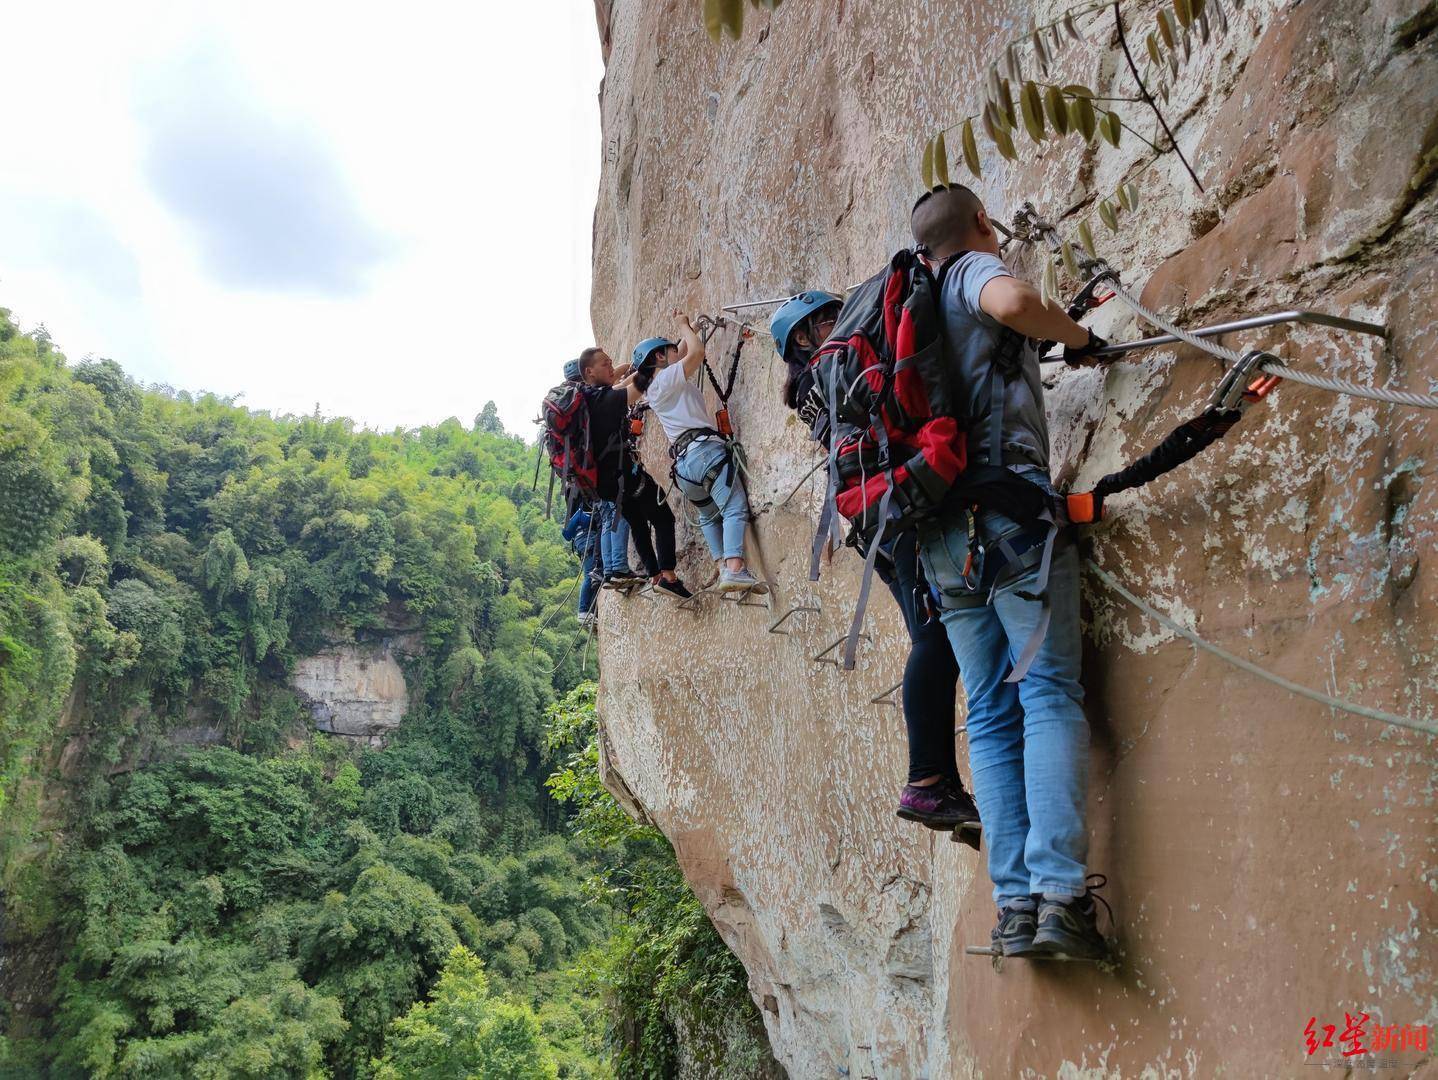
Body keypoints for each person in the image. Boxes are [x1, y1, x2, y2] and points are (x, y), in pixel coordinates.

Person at [908, 183, 1110, 961]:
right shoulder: (967, 274)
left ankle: (1015, 908)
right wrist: (1082, 339)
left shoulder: (910, 305)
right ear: (981, 226)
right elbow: (1017, 299)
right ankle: (1061, 897)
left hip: (937, 538)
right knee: (1049, 693)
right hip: (1008, 517)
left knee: (990, 714)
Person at [771, 291, 981, 848]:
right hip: (896, 511)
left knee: (931, 637)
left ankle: (944, 787)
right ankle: (929, 779)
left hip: (875, 517)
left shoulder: (814, 382)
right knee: (941, 634)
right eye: (825, 319)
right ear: (803, 338)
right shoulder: (834, 366)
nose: (837, 322)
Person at [625, 316, 765, 594]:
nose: (676, 351)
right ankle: (735, 568)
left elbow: (681, 352)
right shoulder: (666, 378)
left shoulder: (654, 387)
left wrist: (693, 331)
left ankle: (723, 565)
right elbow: (697, 353)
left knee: (709, 516)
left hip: (685, 467)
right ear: (659, 357)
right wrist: (683, 327)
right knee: (734, 506)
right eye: (670, 350)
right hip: (704, 453)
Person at [579, 347, 691, 599]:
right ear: (589, 371)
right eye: (605, 364)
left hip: (607, 486)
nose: (611, 367)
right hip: (625, 477)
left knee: (638, 523)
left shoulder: (590, 399)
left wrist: (634, 368)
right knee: (662, 517)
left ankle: (654, 575)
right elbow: (640, 384)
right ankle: (668, 577)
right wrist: (656, 357)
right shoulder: (605, 401)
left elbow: (626, 382)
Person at [562, 503, 600, 629]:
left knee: (592, 577)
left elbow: (567, 535)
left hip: (584, 547)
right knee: (590, 577)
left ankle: (589, 611)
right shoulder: (580, 514)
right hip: (588, 546)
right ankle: (583, 611)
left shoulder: (576, 517)